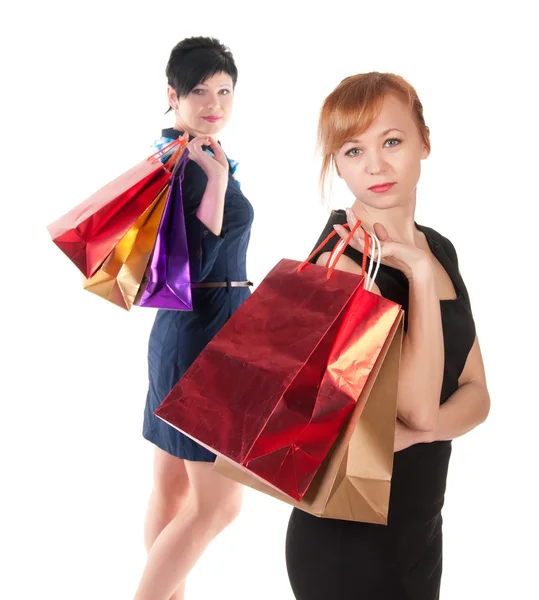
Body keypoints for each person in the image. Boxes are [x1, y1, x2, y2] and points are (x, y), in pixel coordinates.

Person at [285, 72, 491, 599]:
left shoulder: (438, 247)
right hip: (348, 538)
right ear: (336, 163)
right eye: (352, 151)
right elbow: (421, 409)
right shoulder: (341, 264)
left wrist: (424, 435)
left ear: (425, 140)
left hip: (419, 529)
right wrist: (418, 277)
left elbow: (477, 395)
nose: (375, 165)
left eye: (391, 142)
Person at [134, 36, 253, 600]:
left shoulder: (193, 154)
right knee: (219, 503)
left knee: (172, 491)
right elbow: (188, 264)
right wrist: (219, 186)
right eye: (201, 90)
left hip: (186, 337)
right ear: (172, 95)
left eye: (225, 90)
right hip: (202, 336)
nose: (215, 103)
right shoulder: (187, 163)